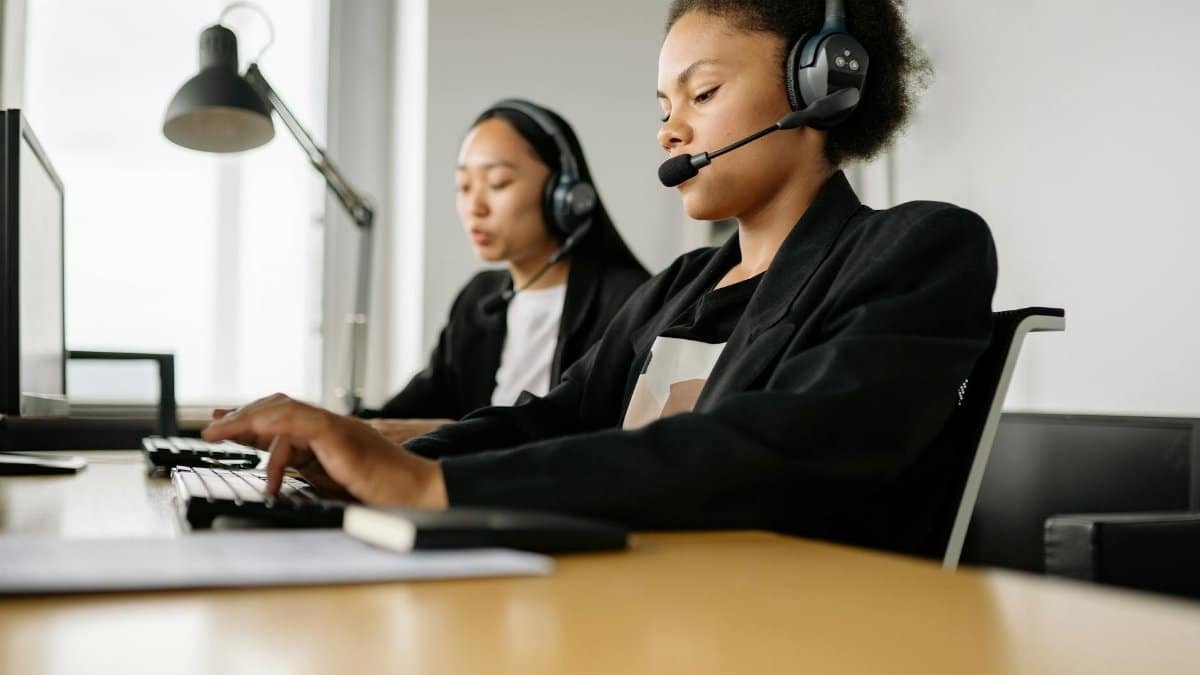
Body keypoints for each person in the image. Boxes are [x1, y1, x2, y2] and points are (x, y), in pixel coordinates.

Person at [205, 0, 999, 556]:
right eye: (664, 101)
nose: (671, 127)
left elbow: (765, 451)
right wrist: (371, 463)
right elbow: (546, 422)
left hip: (784, 621)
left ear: (819, 87)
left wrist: (426, 489)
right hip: (647, 599)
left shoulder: (919, 248)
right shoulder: (682, 286)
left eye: (705, 92)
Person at [357, 100, 648, 445]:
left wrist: (453, 437)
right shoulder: (481, 298)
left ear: (565, 195)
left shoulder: (631, 303)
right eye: (464, 186)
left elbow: (602, 445)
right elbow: (406, 412)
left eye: (497, 183)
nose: (474, 207)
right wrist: (325, 427)